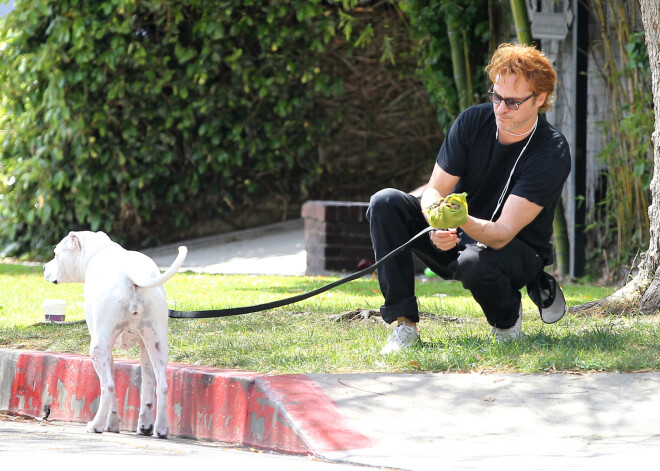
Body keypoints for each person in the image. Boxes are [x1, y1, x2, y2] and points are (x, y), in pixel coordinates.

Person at [366, 43, 571, 354]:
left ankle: (506, 321)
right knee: (386, 202)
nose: (501, 108)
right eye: (496, 96)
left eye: (513, 102)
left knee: (475, 262)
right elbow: (435, 189)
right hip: (456, 234)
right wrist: (437, 221)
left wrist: (456, 220)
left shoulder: (551, 151)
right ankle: (405, 325)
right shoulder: (472, 121)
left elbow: (502, 235)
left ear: (539, 99)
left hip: (515, 253)